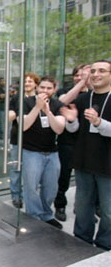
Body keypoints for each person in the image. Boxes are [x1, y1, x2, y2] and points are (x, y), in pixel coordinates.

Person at [63, 59, 111, 251]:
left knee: (108, 211)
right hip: (84, 161)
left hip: (108, 164)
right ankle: (81, 242)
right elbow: (74, 129)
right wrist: (71, 121)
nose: (96, 74)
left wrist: (99, 123)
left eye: (102, 71)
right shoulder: (83, 99)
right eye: (93, 71)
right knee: (83, 208)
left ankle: (104, 244)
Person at [15, 76, 65, 229]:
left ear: (54, 90)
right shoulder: (25, 102)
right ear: (37, 88)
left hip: (52, 153)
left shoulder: (58, 105)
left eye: (49, 88)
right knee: (31, 187)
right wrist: (37, 108)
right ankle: (34, 216)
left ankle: (46, 215)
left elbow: (59, 129)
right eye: (42, 87)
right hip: (31, 152)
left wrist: (48, 112)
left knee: (51, 188)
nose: (45, 91)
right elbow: (23, 126)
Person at [54, 64, 91, 221]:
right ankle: (60, 204)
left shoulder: (95, 93)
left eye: (83, 74)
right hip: (67, 142)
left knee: (88, 177)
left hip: (89, 143)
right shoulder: (66, 91)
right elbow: (62, 102)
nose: (79, 77)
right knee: (64, 175)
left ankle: (86, 207)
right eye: (77, 74)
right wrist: (81, 84)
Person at [8, 72, 38, 208]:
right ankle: (16, 196)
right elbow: (9, 116)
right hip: (17, 138)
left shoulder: (40, 99)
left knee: (31, 171)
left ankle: (29, 196)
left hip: (34, 140)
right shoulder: (16, 98)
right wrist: (14, 114)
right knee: (16, 168)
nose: (27, 83)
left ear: (36, 84)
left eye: (30, 81)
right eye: (25, 81)